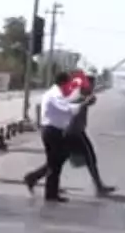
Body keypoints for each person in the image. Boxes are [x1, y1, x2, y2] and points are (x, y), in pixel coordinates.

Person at [23, 71, 96, 203]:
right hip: (52, 131)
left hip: (54, 130)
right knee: (56, 163)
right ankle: (49, 192)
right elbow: (66, 109)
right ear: (63, 82)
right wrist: (84, 103)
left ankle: (35, 180)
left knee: (56, 160)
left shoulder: (56, 93)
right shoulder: (55, 94)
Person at [66, 81, 115, 197]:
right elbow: (79, 105)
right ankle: (99, 187)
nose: (91, 89)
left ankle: (33, 177)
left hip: (74, 132)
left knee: (58, 159)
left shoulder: (81, 96)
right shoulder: (78, 97)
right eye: (90, 86)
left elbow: (91, 101)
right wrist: (86, 101)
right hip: (74, 133)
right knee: (90, 157)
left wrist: (89, 99)